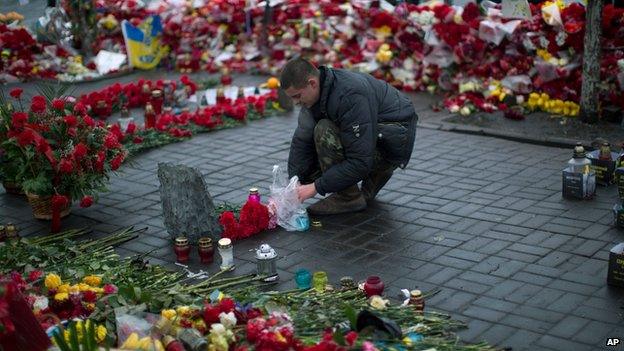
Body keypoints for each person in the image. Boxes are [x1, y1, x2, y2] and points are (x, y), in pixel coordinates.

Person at [281, 58, 418, 215]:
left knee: (323, 131)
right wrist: (295, 182)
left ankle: (349, 197)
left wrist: (315, 188)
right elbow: (302, 139)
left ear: (312, 83)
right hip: (369, 137)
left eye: (297, 96)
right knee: (306, 173)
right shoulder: (316, 94)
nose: (295, 103)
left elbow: (360, 161)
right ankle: (371, 180)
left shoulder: (350, 95)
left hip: (389, 142)